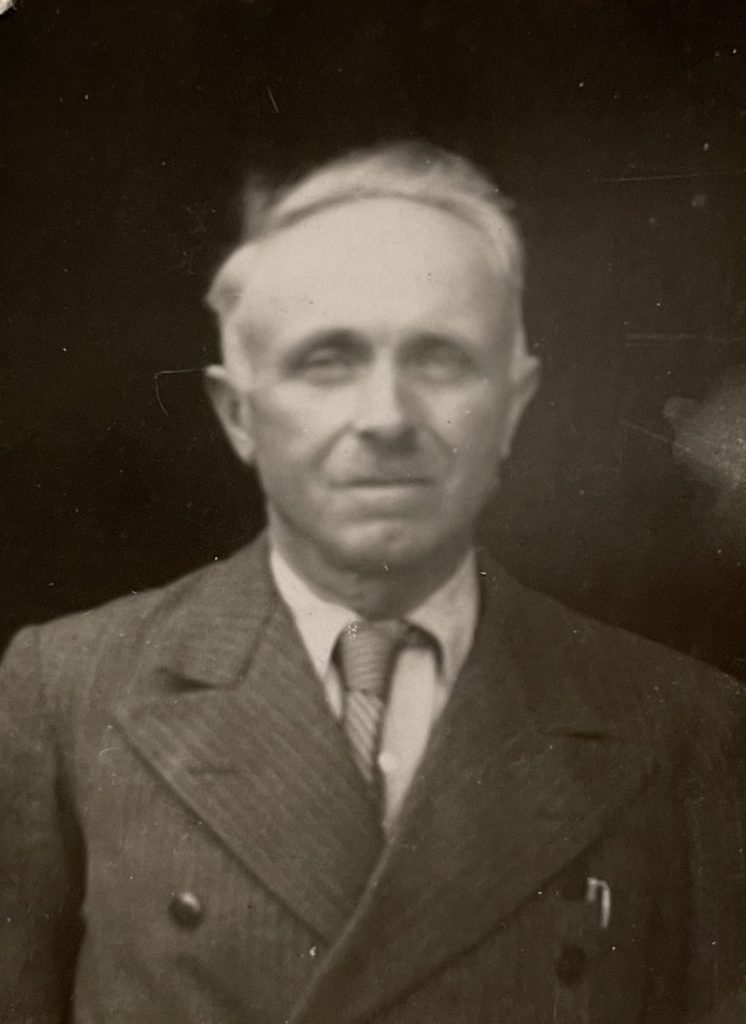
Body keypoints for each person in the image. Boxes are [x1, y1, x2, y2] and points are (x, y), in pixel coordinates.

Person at [1, 142, 745, 1024]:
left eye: (440, 360)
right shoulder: (69, 691)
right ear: (239, 413)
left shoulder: (684, 726)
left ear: (513, 404)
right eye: (327, 361)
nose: (387, 418)